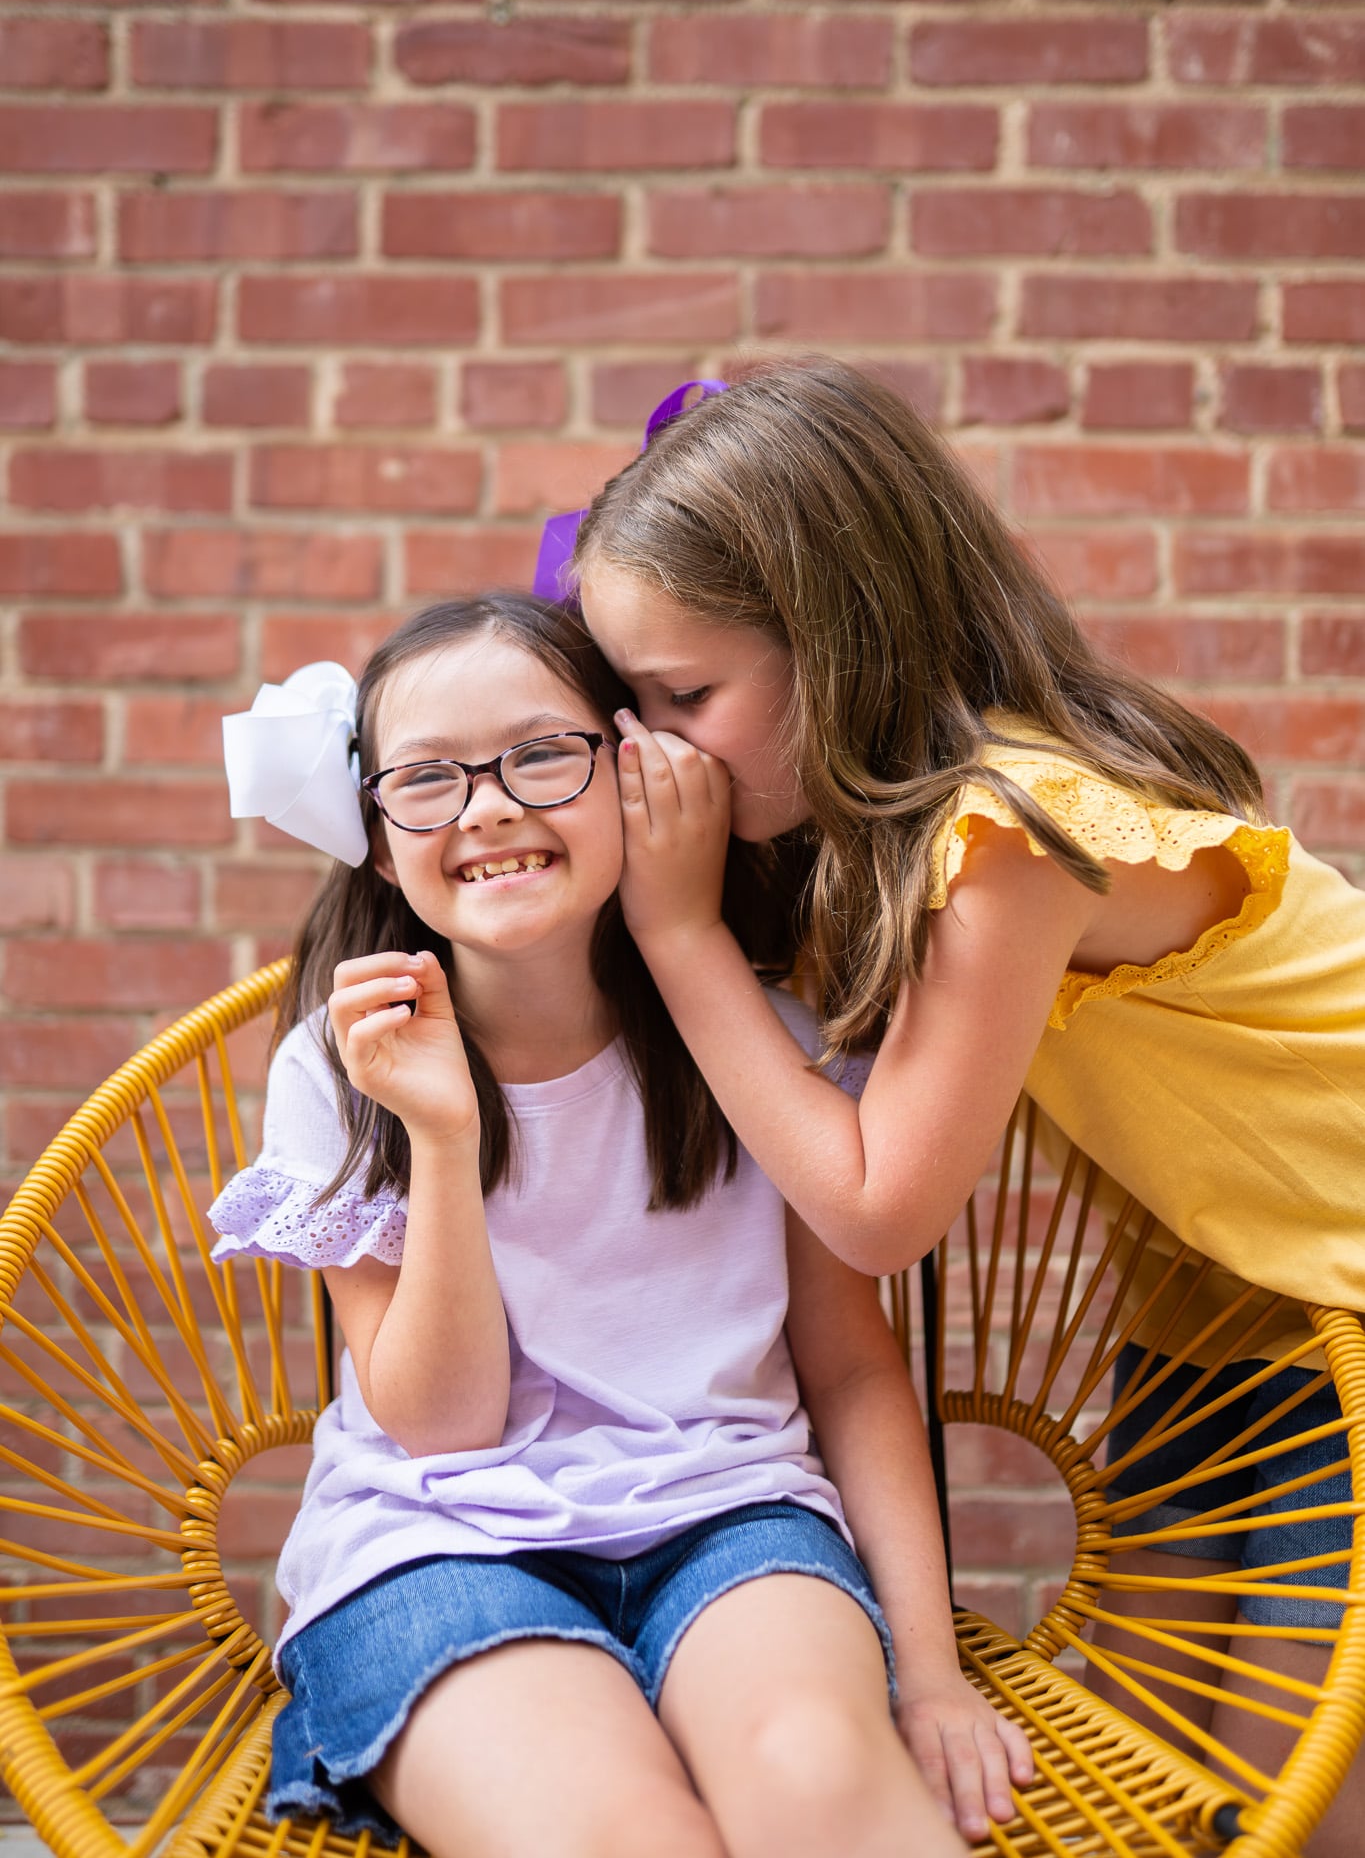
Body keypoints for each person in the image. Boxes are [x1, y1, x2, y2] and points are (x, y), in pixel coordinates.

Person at [572, 358, 1365, 1858]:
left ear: (838, 642)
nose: (655, 746)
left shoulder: (1007, 835)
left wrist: (679, 938)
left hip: (1338, 1277)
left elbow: (879, 1202)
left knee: (1287, 1812)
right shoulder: (886, 839)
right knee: (1150, 1776)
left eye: (686, 696)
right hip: (1231, 1303)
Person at [208, 591, 1033, 1858]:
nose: (487, 805)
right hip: (437, 1544)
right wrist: (440, 1135)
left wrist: (928, 1669)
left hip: (735, 1517)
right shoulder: (343, 1066)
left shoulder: (761, 1043)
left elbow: (854, 1365)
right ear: (378, 840)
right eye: (426, 779)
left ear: (631, 770)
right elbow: (440, 1420)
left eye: (541, 753)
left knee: (820, 1789)